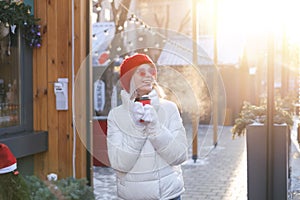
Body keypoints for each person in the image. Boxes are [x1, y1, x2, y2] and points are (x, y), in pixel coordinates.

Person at [107, 53, 188, 200]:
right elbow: (119, 163)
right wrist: (137, 129)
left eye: (151, 71)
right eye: (141, 72)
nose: (148, 76)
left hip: (169, 195)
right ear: (128, 78)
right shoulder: (116, 116)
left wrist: (155, 127)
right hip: (132, 196)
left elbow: (179, 156)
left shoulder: (169, 109)